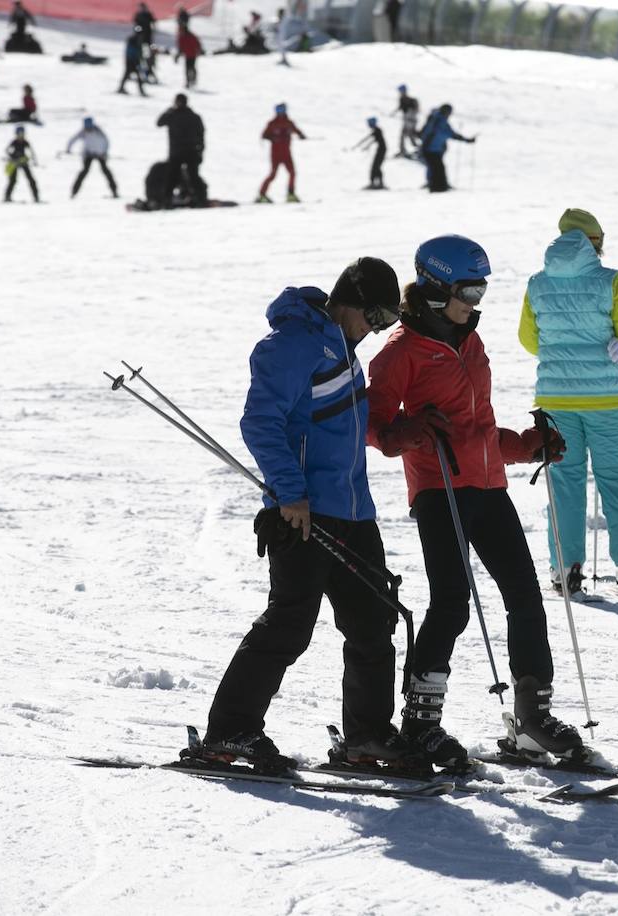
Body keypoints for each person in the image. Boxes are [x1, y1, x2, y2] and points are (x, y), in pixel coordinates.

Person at [189, 259, 417, 770]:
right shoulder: (292, 343)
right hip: (303, 514)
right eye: (375, 318)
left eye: (385, 323)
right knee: (289, 625)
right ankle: (230, 732)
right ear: (349, 302)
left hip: (354, 513)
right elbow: (260, 421)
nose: (375, 330)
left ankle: (367, 735)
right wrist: (290, 495)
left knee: (372, 624)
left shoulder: (342, 348)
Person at [365, 234, 580, 769]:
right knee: (452, 602)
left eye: (482, 288)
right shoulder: (399, 352)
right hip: (439, 490)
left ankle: (531, 721)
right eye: (468, 289)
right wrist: (406, 433)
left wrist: (527, 446)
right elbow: (371, 425)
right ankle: (420, 724)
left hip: (488, 488)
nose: (476, 300)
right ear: (436, 287)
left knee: (526, 599)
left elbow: (478, 429)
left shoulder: (470, 342)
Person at [519, 208, 618, 598]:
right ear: (594, 242)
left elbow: (529, 341)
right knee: (615, 479)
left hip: (556, 400)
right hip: (607, 400)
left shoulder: (537, 284)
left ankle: (565, 567)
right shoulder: (610, 281)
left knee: (564, 482)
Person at [157, 92, 206, 205]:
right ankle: (199, 198)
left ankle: (167, 200)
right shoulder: (194, 116)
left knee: (173, 178)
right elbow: (202, 135)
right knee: (192, 177)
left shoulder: (173, 115)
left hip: (177, 152)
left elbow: (159, 122)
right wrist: (201, 151)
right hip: (191, 152)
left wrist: (168, 110)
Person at [419, 103, 473, 193]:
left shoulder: (436, 118)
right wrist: (466, 140)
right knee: (437, 168)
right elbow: (450, 133)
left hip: (433, 149)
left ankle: (439, 186)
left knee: (438, 167)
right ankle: (437, 188)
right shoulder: (440, 121)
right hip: (431, 149)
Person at [257, 102, 304, 203]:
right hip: (276, 154)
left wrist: (301, 135)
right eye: (278, 110)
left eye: (282, 110)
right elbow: (264, 135)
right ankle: (262, 195)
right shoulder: (272, 123)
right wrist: (273, 138)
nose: (280, 113)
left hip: (286, 154)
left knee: (292, 173)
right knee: (273, 174)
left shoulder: (288, 122)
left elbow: (297, 131)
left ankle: (290, 194)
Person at [67, 116, 118, 199]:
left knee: (106, 171)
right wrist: (68, 149)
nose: (87, 129)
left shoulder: (98, 131)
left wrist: (104, 152)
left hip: (100, 154)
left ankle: (115, 191)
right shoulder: (83, 131)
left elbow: (106, 141)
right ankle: (74, 192)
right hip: (88, 154)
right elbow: (73, 139)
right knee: (84, 172)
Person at [4, 125, 39, 203]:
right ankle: (7, 196)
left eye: (22, 133)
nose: (21, 135)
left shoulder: (26, 142)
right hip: (14, 163)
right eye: (19, 133)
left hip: (23, 162)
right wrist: (12, 157)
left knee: (31, 179)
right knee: (13, 180)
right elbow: (7, 150)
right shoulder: (14, 142)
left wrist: (33, 160)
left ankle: (36, 197)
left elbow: (31, 152)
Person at [356, 116, 386, 190]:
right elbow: (372, 138)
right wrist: (366, 146)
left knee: (375, 167)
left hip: (381, 150)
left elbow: (371, 138)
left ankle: (374, 184)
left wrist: (366, 146)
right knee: (377, 166)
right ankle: (379, 183)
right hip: (382, 149)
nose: (368, 125)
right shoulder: (377, 130)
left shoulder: (377, 130)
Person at [117, 26, 147, 95]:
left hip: (133, 61)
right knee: (133, 76)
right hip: (132, 61)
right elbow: (131, 52)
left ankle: (121, 88)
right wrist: (135, 59)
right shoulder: (133, 40)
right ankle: (141, 91)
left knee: (129, 75)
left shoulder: (138, 40)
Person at [393, 84, 419, 158]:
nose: (400, 92)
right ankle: (416, 149)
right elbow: (400, 107)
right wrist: (394, 112)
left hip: (410, 120)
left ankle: (404, 150)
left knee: (408, 135)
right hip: (407, 120)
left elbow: (415, 110)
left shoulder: (411, 100)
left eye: (400, 91)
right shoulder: (401, 99)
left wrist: (409, 117)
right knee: (409, 136)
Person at [174, 22, 200, 88]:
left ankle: (193, 79)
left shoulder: (190, 36)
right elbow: (180, 47)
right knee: (188, 68)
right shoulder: (181, 37)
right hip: (188, 55)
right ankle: (188, 81)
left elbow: (197, 43)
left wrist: (198, 50)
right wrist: (178, 55)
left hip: (192, 54)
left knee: (191, 67)